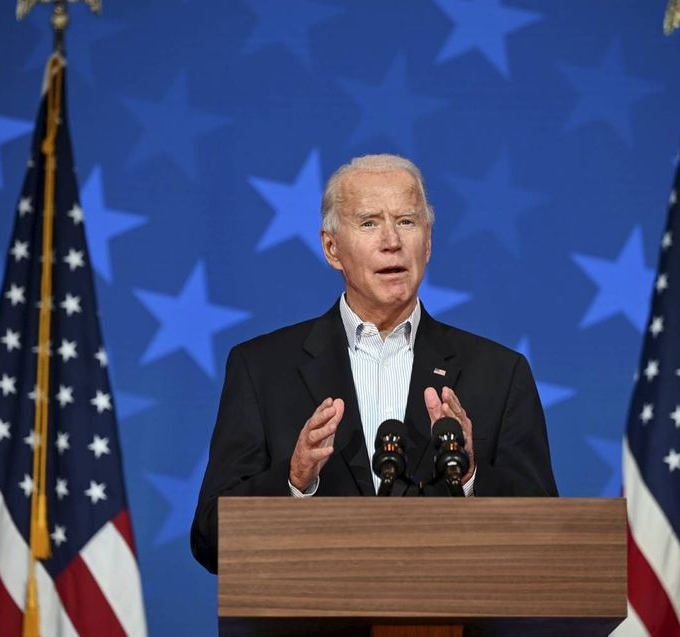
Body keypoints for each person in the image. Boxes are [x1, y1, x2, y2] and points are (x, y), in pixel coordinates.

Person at [191, 154, 557, 574]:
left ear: (429, 241)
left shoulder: (499, 374)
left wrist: (472, 475)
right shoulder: (261, 369)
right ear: (332, 248)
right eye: (369, 223)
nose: (392, 241)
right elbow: (210, 539)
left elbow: (546, 538)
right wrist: (293, 480)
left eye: (406, 221)